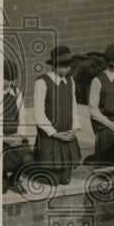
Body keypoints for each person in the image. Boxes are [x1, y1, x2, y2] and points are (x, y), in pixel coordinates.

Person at [33, 45, 81, 185]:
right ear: (55, 65)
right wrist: (54, 133)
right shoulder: (42, 82)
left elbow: (73, 106)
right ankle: (38, 168)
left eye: (69, 65)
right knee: (52, 182)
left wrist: (74, 128)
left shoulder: (70, 81)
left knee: (65, 181)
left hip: (67, 136)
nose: (68, 68)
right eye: (64, 65)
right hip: (51, 139)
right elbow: (39, 113)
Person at [2, 57, 34, 194]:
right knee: (1, 189)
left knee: (28, 159)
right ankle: (2, 177)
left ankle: (14, 180)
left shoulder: (16, 93)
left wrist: (20, 135)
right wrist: (3, 138)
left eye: (12, 80)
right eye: (6, 79)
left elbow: (22, 116)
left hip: (15, 137)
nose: (10, 83)